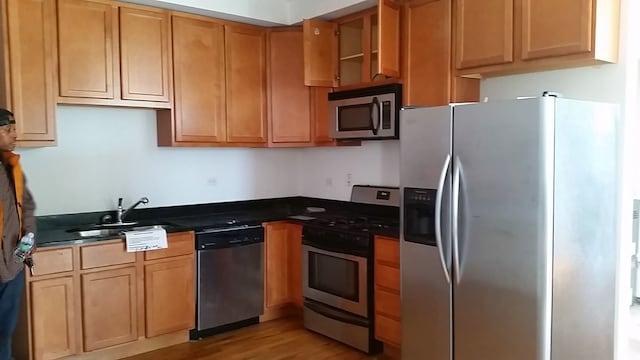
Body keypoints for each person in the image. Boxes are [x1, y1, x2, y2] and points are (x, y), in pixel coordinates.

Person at [0, 109, 36, 360]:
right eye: (8, 130)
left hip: (12, 263)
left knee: (4, 329)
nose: (15, 135)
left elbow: (28, 206)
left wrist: (28, 238)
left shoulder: (11, 166)